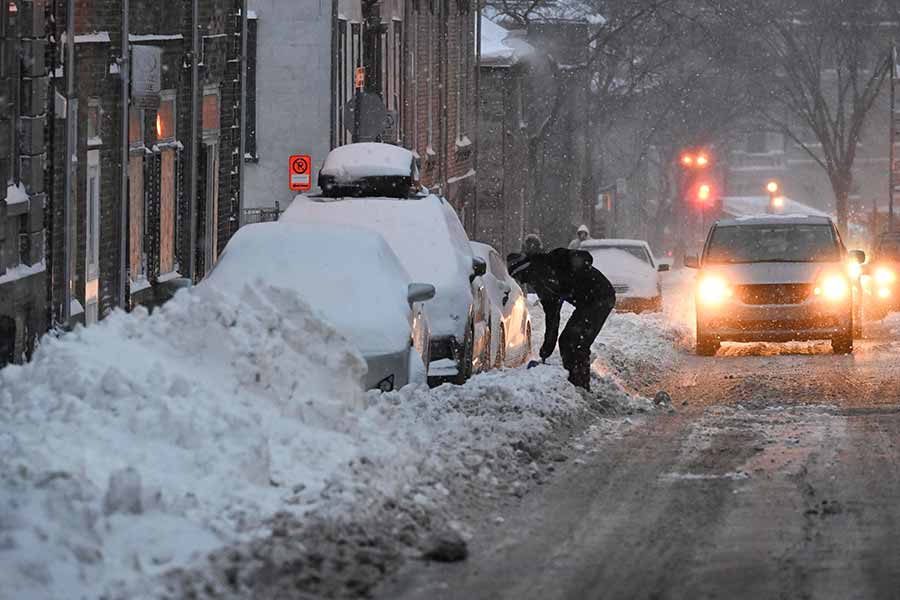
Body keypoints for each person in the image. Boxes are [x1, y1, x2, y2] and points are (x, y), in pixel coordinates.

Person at [507, 242, 616, 391]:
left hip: (600, 296)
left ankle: (580, 386)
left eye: (520, 276)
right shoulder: (542, 284)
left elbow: (584, 257)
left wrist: (573, 272)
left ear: (525, 269)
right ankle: (575, 383)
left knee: (577, 342)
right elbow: (552, 318)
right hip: (587, 302)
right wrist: (546, 350)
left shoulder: (551, 261)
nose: (522, 281)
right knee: (567, 341)